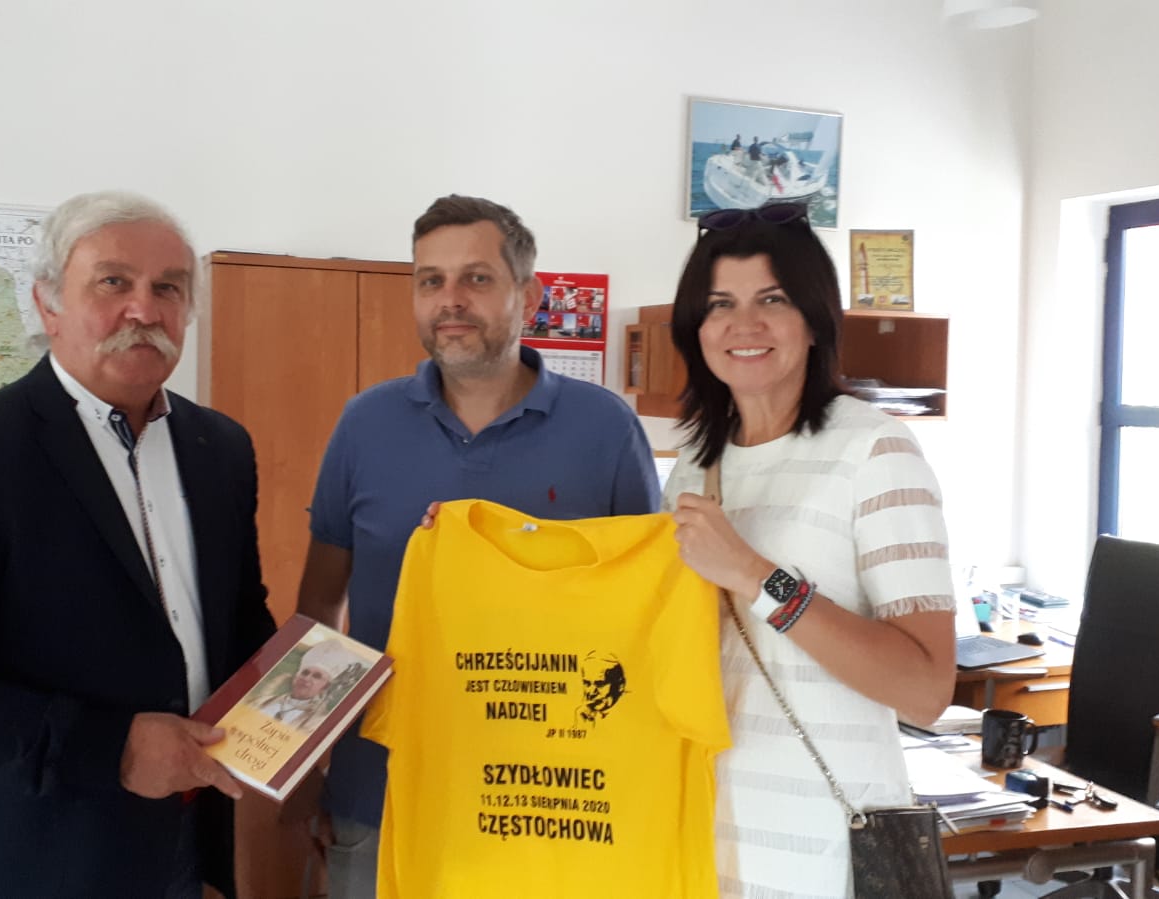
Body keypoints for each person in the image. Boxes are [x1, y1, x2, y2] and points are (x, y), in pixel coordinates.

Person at [0, 190, 275, 899]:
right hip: (32, 859)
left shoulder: (221, 447)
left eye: (168, 288)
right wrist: (113, 749)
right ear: (48, 304)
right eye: (113, 282)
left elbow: (238, 619)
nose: (144, 309)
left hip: (188, 847)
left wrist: (302, 696)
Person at [296, 194, 660, 898]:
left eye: (476, 278)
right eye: (430, 280)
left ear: (529, 294)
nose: (450, 300)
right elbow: (318, 612)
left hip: (549, 803)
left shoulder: (606, 429)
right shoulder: (364, 424)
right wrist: (304, 768)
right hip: (380, 796)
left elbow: (644, 619)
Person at [663, 200, 956, 898]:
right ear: (696, 327)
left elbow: (925, 690)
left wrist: (754, 574)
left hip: (823, 849)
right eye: (720, 304)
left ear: (815, 319)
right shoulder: (692, 464)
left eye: (772, 299)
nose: (744, 324)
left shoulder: (876, 448)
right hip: (702, 836)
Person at [257, 640, 364, 730]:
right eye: (305, 672)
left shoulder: (319, 721)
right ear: (295, 677)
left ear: (325, 686)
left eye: (317, 676)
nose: (307, 678)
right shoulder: (261, 701)